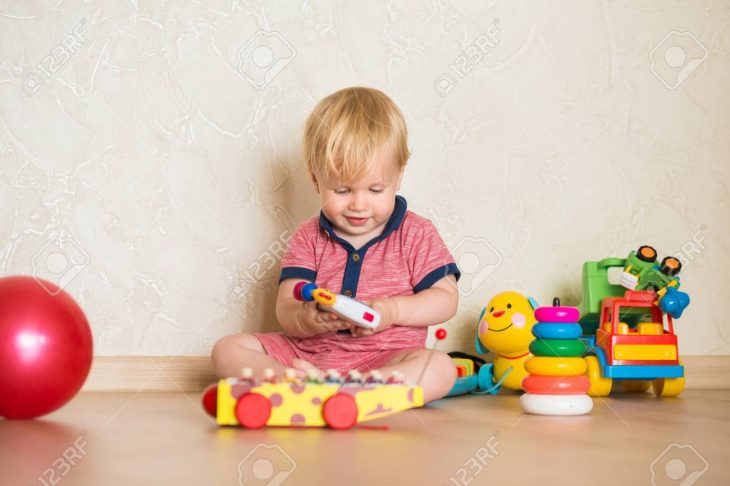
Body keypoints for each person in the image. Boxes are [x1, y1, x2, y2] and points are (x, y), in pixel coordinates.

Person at [212, 87, 460, 402]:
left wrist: (391, 310)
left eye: (374, 189)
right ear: (316, 181)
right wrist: (306, 319)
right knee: (228, 348)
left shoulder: (417, 233)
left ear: (398, 178)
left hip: (384, 358)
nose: (359, 204)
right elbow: (287, 306)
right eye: (342, 190)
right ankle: (292, 383)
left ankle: (354, 392)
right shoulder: (309, 235)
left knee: (439, 368)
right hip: (308, 357)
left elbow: (445, 299)